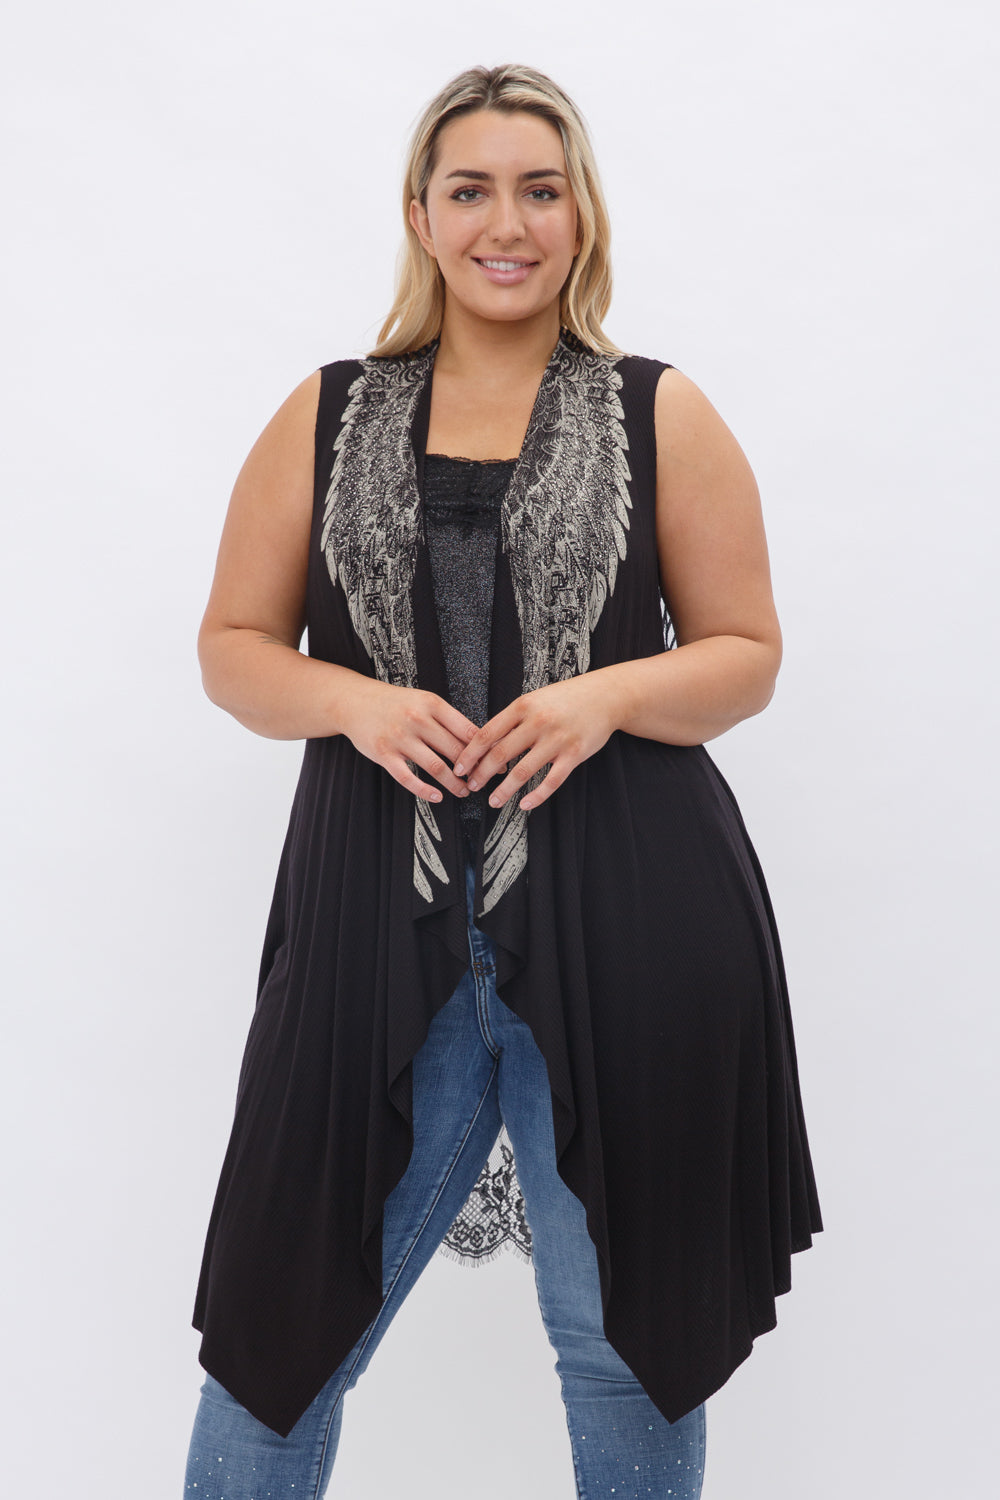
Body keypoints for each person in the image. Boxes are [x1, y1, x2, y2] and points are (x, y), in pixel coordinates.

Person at [183, 62, 823, 1500]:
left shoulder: (661, 411)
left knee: (617, 1347)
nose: (507, 223)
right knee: (277, 1341)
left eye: (541, 189)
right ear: (421, 214)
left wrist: (607, 695)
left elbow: (748, 656)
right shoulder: (326, 413)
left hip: (631, 930)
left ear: (581, 213)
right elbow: (232, 649)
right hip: (371, 928)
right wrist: (352, 701)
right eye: (470, 189)